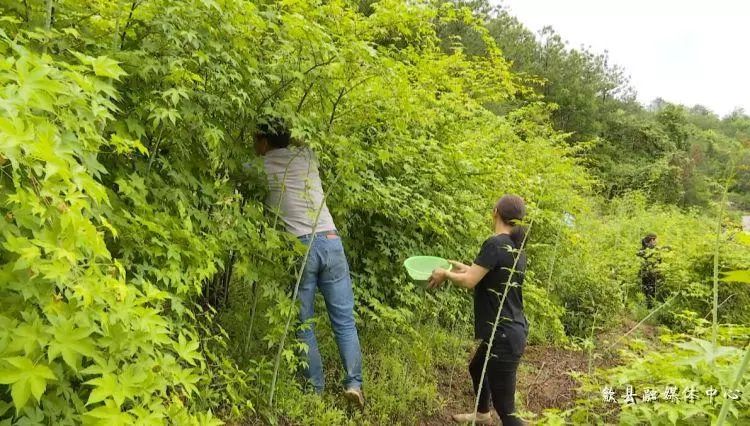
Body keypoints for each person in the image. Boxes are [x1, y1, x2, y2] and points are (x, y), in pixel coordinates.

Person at [254, 119, 364, 407]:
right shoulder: (307, 155)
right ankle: (354, 384)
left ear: (264, 141)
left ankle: (314, 390)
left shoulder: (260, 168)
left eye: (256, 140)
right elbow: (304, 141)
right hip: (331, 238)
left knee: (304, 322)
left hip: (300, 246)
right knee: (344, 321)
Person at [428, 195, 528, 426]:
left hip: (503, 335)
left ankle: (492, 414)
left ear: (495, 212)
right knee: (477, 367)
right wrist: (461, 268)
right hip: (510, 330)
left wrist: (445, 274)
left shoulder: (495, 243)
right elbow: (484, 274)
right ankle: (483, 414)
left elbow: (470, 281)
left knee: (507, 412)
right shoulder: (516, 248)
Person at [637, 233, 662, 309]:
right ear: (652, 240)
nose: (656, 241)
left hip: (644, 273)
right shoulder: (654, 250)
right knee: (650, 291)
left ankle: (644, 307)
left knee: (644, 290)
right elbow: (660, 261)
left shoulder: (642, 249)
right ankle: (649, 308)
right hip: (651, 274)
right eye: (655, 239)